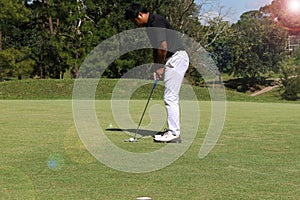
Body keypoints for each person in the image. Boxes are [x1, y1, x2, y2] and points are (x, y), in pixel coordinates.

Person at [125, 3, 189, 143]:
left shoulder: (156, 21)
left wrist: (160, 66)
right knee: (169, 96)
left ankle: (174, 133)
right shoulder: (150, 26)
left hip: (176, 58)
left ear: (140, 15)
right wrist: (157, 68)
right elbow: (156, 49)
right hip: (172, 60)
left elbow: (162, 46)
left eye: (134, 20)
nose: (135, 24)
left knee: (170, 97)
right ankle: (172, 130)